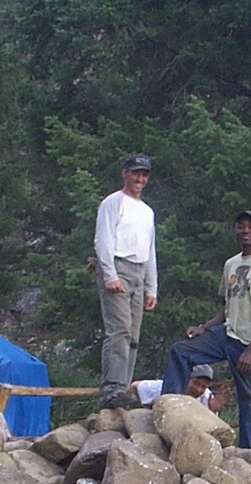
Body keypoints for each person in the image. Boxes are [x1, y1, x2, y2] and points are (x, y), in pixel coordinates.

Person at [161, 210, 251, 448]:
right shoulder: (231, 264)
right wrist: (204, 328)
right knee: (181, 350)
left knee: (250, 399)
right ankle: (170, 412)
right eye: (241, 226)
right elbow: (227, 307)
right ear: (236, 230)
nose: (245, 231)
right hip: (227, 333)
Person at [94, 153, 157, 409]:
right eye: (135, 173)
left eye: (144, 175)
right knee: (118, 330)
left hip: (139, 270)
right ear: (125, 173)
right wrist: (110, 274)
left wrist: (152, 286)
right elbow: (103, 239)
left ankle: (125, 387)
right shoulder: (113, 202)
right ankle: (112, 389)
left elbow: (150, 249)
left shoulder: (147, 211)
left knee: (133, 334)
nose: (139, 179)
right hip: (118, 264)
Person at [127, 364, 233, 412]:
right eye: (196, 383)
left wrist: (212, 409)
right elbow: (135, 386)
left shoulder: (206, 397)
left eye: (203, 386)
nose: (198, 389)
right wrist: (146, 408)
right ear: (186, 379)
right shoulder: (168, 387)